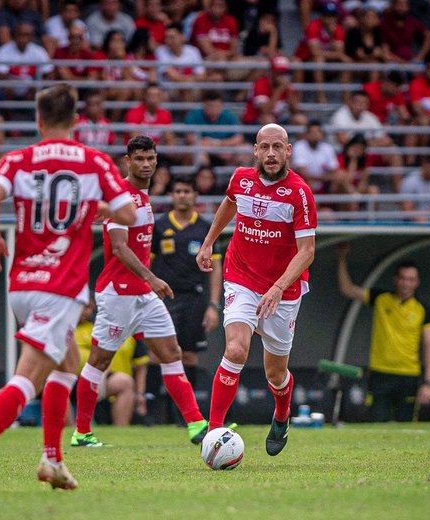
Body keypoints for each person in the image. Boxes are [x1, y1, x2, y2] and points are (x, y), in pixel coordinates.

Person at [0, 84, 136, 494]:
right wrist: (97, 208)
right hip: (60, 286)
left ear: (38, 120)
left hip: (21, 284)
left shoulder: (17, 159)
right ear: (75, 122)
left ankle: (52, 459)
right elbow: (128, 212)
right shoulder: (93, 161)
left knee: (68, 365)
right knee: (28, 377)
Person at [71, 136, 208, 448]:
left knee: (172, 353)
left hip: (143, 293)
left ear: (156, 161)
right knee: (99, 361)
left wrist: (148, 282)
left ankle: (196, 424)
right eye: (139, 159)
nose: (146, 164)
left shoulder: (145, 198)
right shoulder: (118, 198)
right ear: (127, 161)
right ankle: (81, 432)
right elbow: (119, 248)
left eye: (150, 158)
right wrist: (152, 277)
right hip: (118, 293)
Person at [195, 123, 317, 456]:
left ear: (288, 150)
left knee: (275, 374)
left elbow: (307, 251)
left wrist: (279, 287)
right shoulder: (241, 179)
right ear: (256, 150)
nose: (271, 154)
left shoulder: (299, 193)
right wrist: (208, 243)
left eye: (278, 147)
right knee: (235, 349)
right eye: (265, 147)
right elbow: (228, 205)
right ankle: (214, 431)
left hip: (283, 290)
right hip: (241, 276)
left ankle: (282, 414)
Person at [337, 242, 430, 422]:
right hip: (380, 373)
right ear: (395, 279)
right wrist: (342, 258)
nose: (406, 283)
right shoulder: (381, 298)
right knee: (376, 423)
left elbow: (429, 345)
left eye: (411, 279)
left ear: (417, 282)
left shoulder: (423, 308)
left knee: (406, 426)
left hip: (409, 375)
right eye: (402, 278)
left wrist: (428, 383)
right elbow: (348, 289)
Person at [151, 176, 222, 389]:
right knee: (157, 354)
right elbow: (147, 264)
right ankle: (153, 414)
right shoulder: (160, 226)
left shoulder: (205, 228)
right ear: (172, 195)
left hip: (194, 298)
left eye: (187, 191)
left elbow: (215, 267)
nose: (182, 195)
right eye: (178, 191)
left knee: (189, 355)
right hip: (164, 298)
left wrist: (213, 306)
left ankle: (186, 417)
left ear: (195, 195)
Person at [73, 299, 149, 426]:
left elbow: (141, 365)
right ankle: (72, 431)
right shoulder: (67, 327)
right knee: (58, 380)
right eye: (83, 307)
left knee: (124, 382)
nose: (86, 311)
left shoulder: (126, 330)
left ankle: (120, 432)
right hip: (72, 379)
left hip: (101, 381)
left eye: (89, 308)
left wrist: (140, 394)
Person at [399, 155, 430, 222]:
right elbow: (407, 209)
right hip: (412, 224)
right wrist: (422, 217)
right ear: (425, 165)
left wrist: (424, 216)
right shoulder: (409, 182)